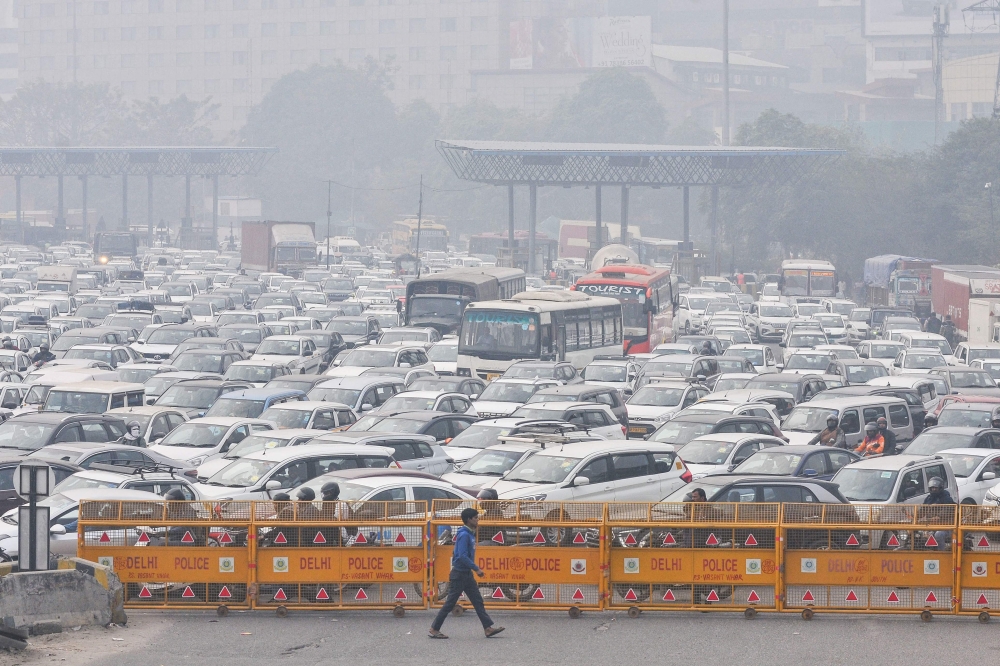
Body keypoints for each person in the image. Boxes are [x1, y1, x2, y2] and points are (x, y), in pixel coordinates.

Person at [429, 508, 505, 639]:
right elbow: (462, 556)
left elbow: (457, 553)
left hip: (466, 574)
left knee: (477, 601)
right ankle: (434, 629)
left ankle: (488, 628)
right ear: (469, 520)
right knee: (450, 603)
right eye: (475, 518)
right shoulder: (464, 535)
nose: (477, 520)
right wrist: (477, 568)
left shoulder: (469, 534)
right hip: (459, 574)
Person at [923, 477, 955, 551]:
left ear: (940, 488)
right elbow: (922, 510)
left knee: (939, 534)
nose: (934, 489)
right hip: (930, 525)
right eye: (932, 488)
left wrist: (938, 517)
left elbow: (947, 510)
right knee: (916, 533)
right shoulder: (928, 498)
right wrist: (913, 515)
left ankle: (941, 553)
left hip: (946, 526)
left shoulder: (947, 498)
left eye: (936, 488)